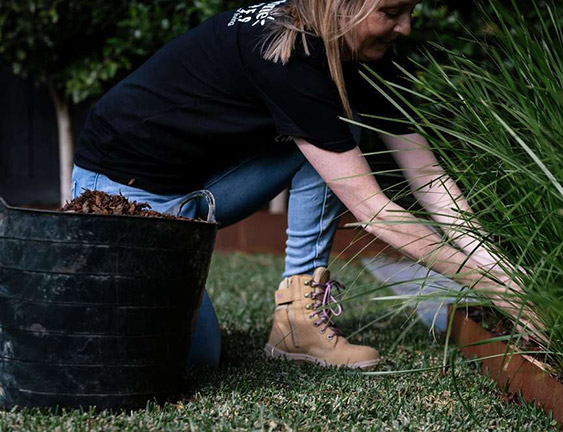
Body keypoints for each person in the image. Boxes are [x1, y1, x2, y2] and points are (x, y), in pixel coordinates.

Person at [71, 0, 532, 370]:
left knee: (339, 132)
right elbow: (374, 211)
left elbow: (428, 176)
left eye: (411, 12)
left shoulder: (357, 51)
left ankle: (297, 319)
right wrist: (497, 287)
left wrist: (499, 270)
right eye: (392, 13)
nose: (406, 27)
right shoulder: (287, 53)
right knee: (189, 359)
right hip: (122, 192)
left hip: (201, 188)